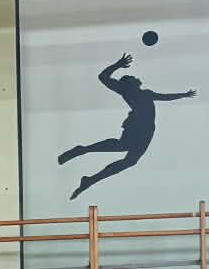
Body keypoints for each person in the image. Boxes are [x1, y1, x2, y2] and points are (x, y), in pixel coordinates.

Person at [57, 51, 195, 201]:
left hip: (147, 131)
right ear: (130, 83)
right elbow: (103, 77)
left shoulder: (144, 93)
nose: (137, 78)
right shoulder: (127, 90)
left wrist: (183, 95)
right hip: (137, 127)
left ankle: (90, 178)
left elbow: (165, 97)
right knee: (122, 147)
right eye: (133, 78)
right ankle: (83, 153)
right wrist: (118, 64)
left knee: (129, 160)